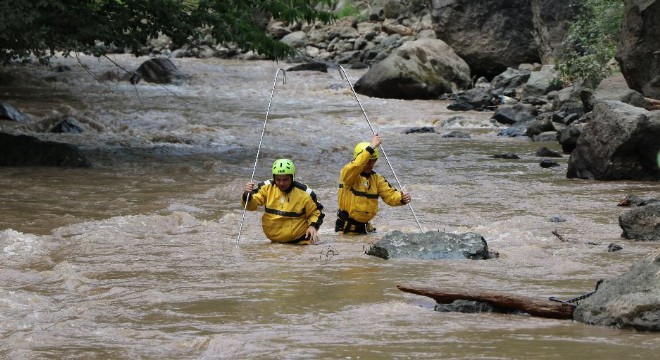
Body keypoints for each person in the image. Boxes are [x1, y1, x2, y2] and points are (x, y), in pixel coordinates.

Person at [336, 133, 412, 234]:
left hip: (366, 229)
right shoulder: (348, 174)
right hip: (347, 231)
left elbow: (390, 195)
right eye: (368, 160)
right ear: (361, 158)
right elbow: (355, 165)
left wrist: (401, 198)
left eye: (373, 161)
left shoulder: (377, 179)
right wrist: (371, 147)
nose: (371, 164)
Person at [242, 158, 325, 244]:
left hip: (300, 242)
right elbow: (250, 206)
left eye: (285, 180)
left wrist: (313, 226)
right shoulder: (265, 188)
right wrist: (247, 194)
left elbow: (316, 212)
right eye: (278, 180)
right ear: (274, 178)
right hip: (274, 243)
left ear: (292, 178)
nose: (281, 183)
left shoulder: (305, 194)